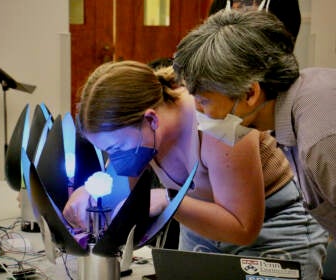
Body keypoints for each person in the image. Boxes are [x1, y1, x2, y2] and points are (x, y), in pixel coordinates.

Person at [63, 60, 328, 279]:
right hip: (202, 230)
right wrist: (91, 195)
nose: (116, 158)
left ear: (151, 119)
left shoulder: (214, 119)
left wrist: (169, 201)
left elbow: (243, 228)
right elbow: (130, 196)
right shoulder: (141, 135)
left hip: (273, 230)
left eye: (118, 147)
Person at [174, 2, 336, 254]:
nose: (199, 113)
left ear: (250, 92)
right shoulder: (297, 109)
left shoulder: (320, 135)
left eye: (205, 101)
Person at [208, 0, 301, 47]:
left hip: (267, 78)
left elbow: (285, 47)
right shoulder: (221, 2)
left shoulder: (285, 3)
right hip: (224, 75)